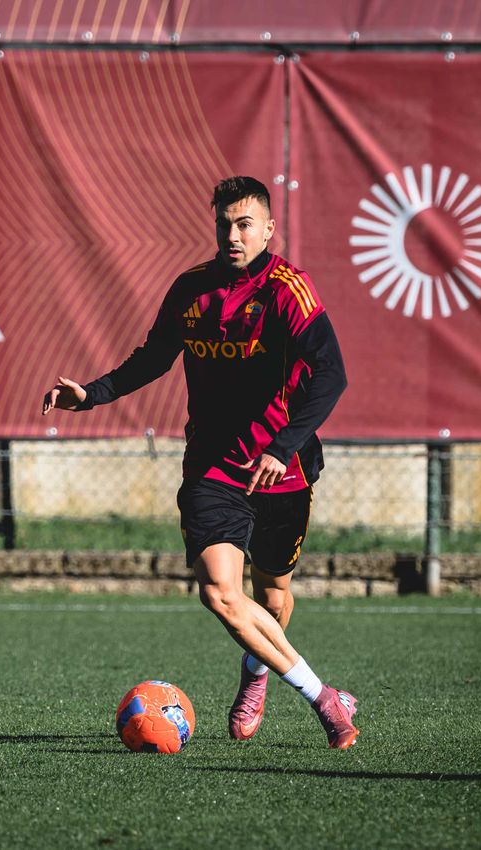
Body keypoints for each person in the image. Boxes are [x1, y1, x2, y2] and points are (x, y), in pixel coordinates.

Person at [42, 177, 358, 748]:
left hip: (282, 469)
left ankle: (257, 674)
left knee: (274, 594)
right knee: (219, 592)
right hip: (213, 469)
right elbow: (153, 358)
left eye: (244, 225)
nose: (233, 235)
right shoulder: (192, 289)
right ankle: (322, 697)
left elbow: (332, 375)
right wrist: (91, 394)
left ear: (268, 229)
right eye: (224, 225)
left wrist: (281, 447)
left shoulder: (288, 290)